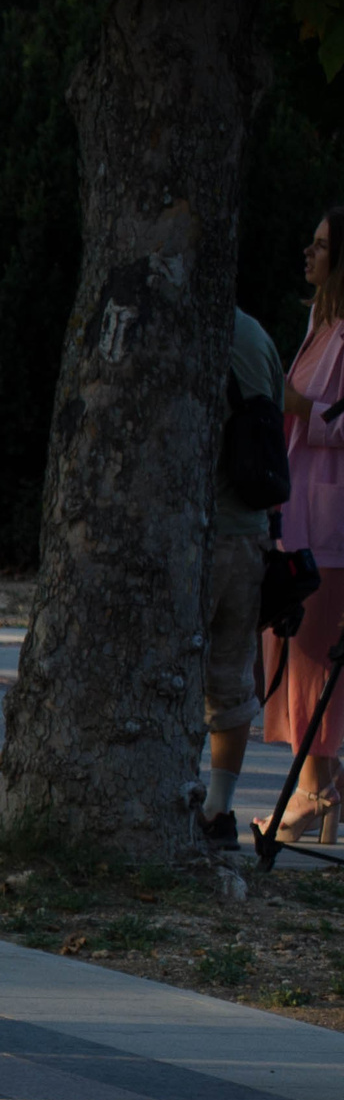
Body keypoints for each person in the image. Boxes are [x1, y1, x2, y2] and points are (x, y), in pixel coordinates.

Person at [264, 207, 344, 838]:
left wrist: (300, 408)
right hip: (299, 508)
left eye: (320, 246)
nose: (308, 254)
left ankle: (314, 792)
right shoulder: (319, 322)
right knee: (295, 646)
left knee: (315, 652)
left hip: (330, 516)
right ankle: (317, 784)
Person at [204, 306, 286, 848]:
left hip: (198, 528)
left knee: (172, 675)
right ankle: (218, 810)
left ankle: (178, 799)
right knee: (233, 678)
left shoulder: (181, 323)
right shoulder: (257, 335)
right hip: (250, 531)